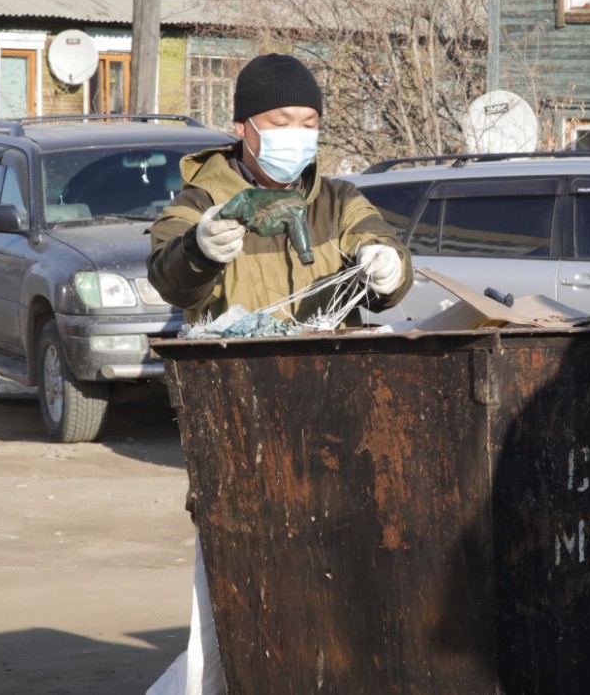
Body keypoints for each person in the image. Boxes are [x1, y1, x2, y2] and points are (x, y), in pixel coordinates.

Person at [144, 53, 413, 694]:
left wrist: (389, 267)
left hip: (339, 430)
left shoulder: (337, 200)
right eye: (283, 119)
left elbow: (385, 251)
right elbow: (164, 273)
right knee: (245, 599)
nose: (300, 132)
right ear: (243, 126)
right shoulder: (204, 199)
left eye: (311, 120)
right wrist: (198, 249)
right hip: (245, 435)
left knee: (344, 599)